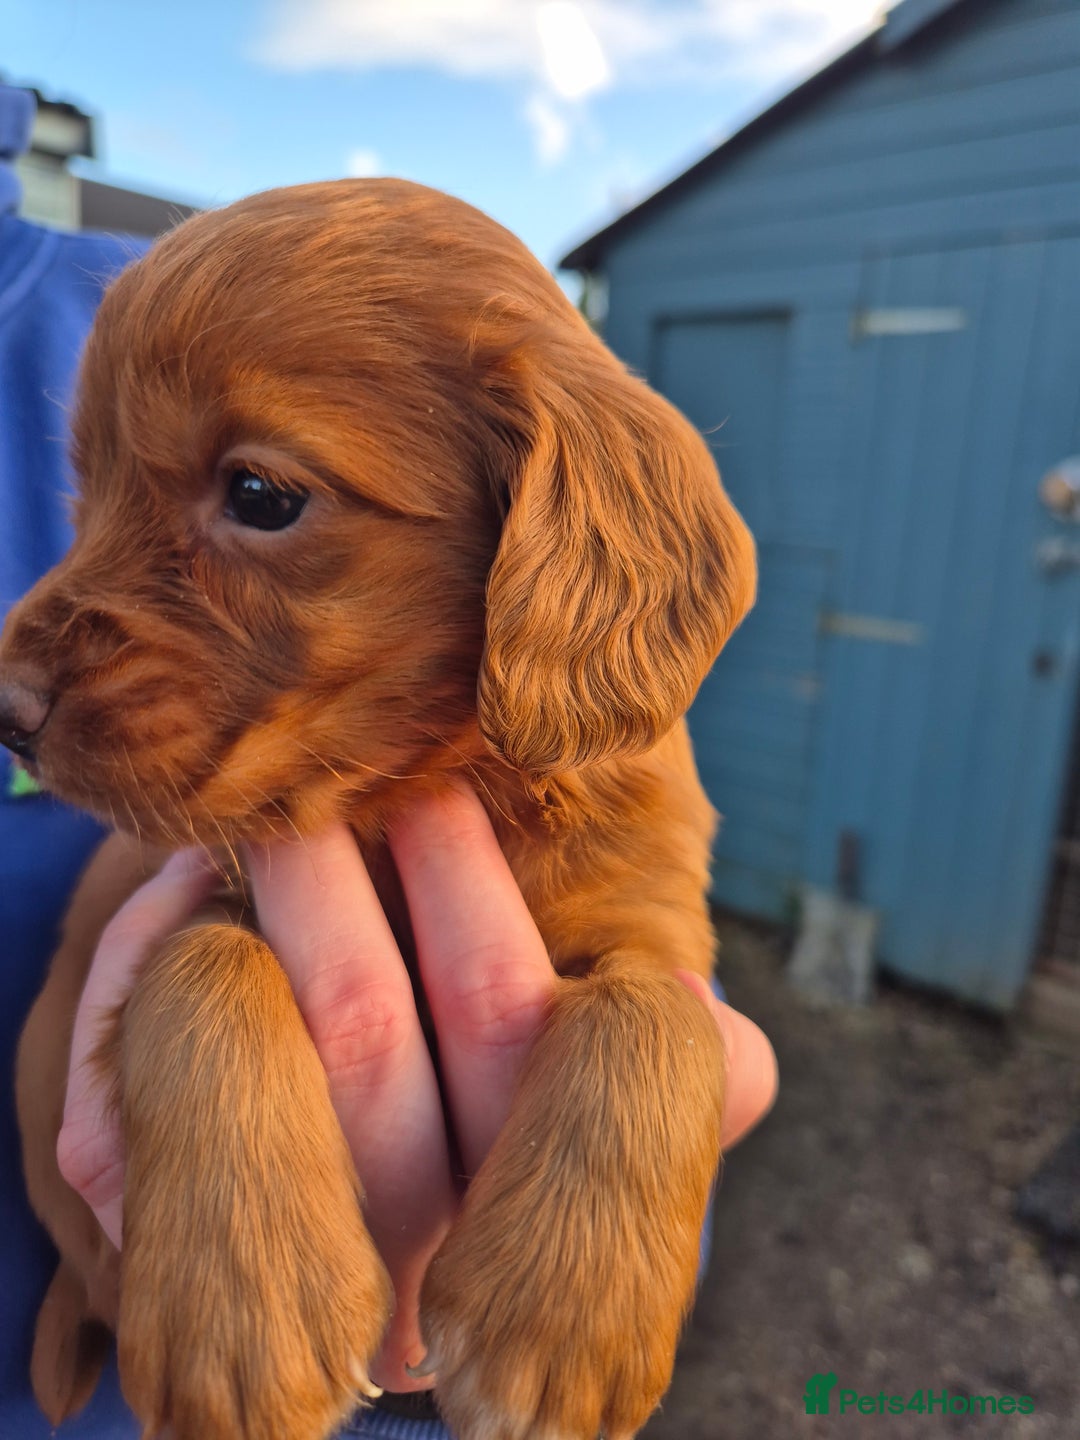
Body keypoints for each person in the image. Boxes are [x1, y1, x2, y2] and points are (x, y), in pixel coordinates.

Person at [1, 83, 777, 1438]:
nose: (26, 670)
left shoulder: (103, 296)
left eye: (260, 499)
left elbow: (659, 1007)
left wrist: (640, 1107)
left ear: (546, 521)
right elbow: (181, 943)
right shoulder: (118, 332)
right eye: (90, 497)